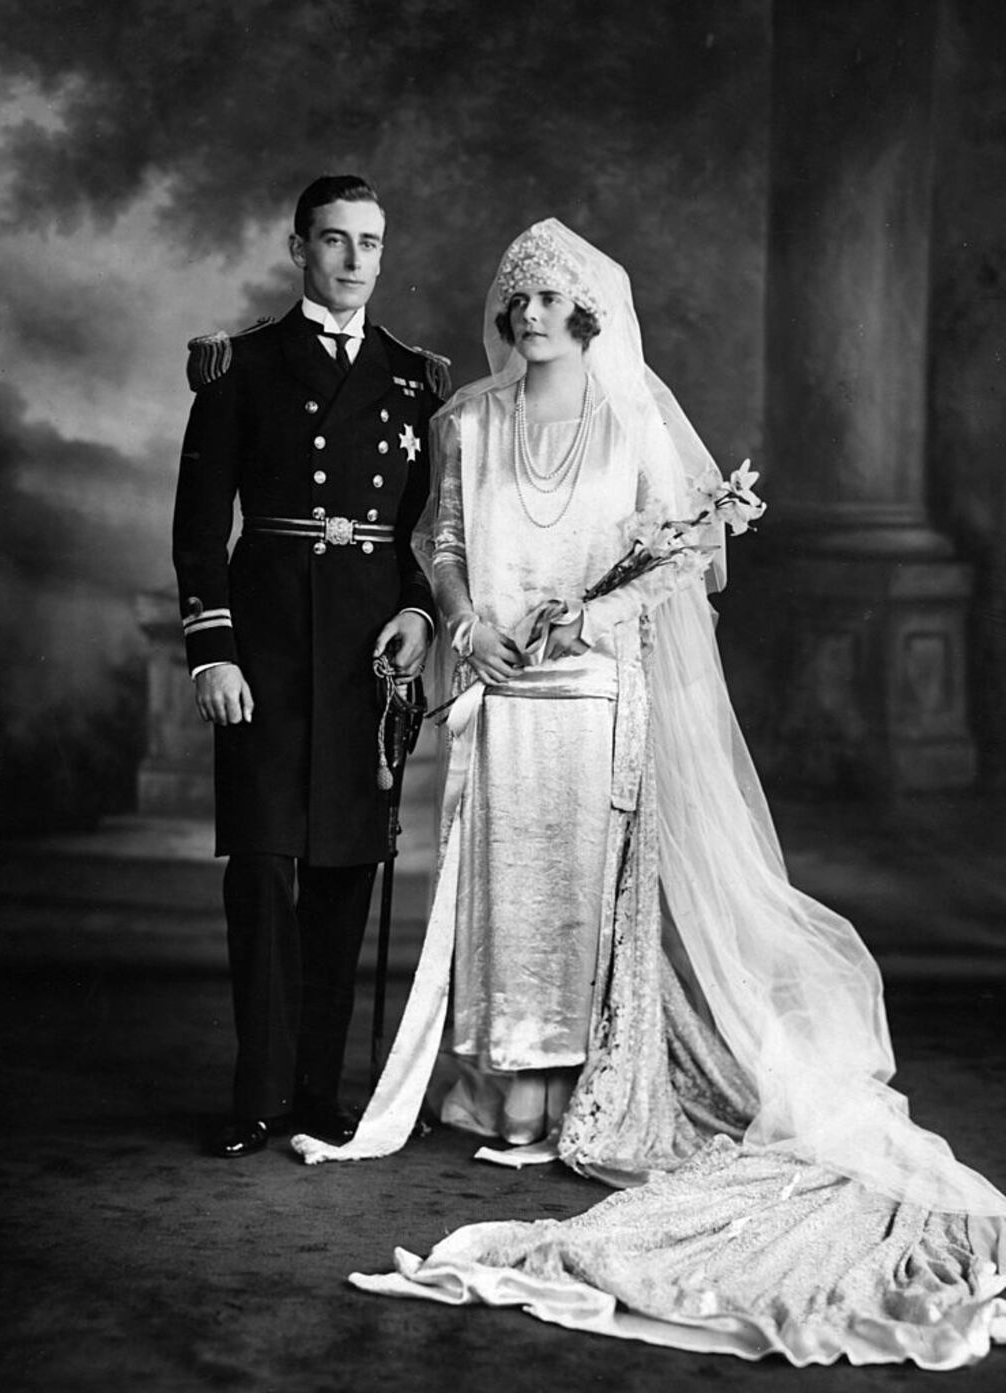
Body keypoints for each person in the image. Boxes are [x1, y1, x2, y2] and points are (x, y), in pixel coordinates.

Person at [294, 220, 1006, 1367]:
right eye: (516, 300)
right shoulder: (465, 421)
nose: (528, 317)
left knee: (585, 891)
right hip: (501, 694)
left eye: (549, 302)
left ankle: (580, 1091)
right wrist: (467, 619)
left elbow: (681, 558)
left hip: (598, 697)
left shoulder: (630, 425)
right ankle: (498, 1099)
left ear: (588, 318)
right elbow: (441, 539)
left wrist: (592, 616)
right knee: (496, 886)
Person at [172, 174, 449, 1159]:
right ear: (299, 247)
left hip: (363, 658)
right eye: (334, 240)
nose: (355, 259)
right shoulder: (241, 364)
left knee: (342, 873)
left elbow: (423, 531)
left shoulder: (415, 376)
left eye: (370, 241)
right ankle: (255, 1093)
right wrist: (214, 647)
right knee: (260, 869)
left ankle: (318, 1094)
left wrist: (419, 612)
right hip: (268, 645)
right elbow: (201, 526)